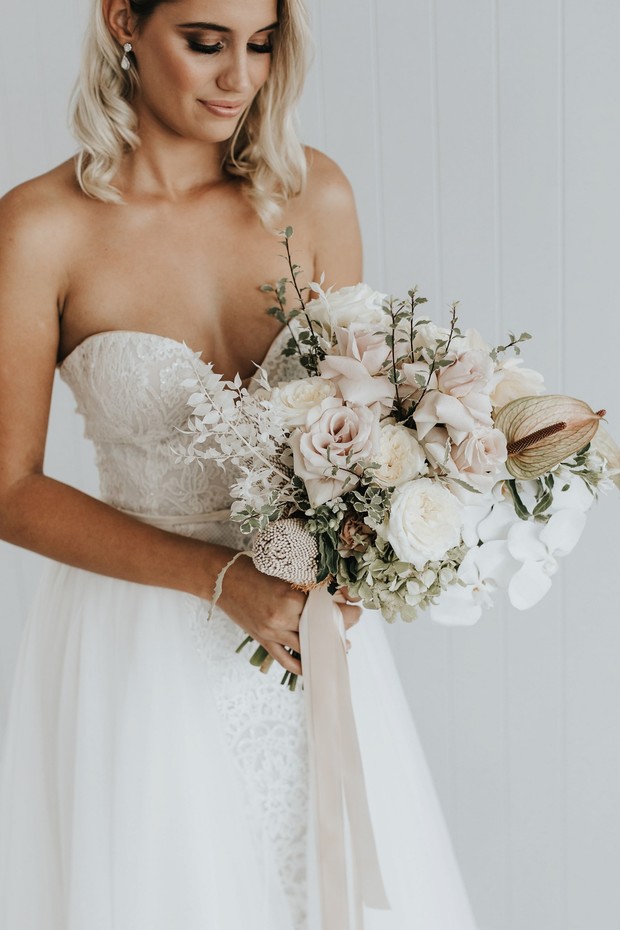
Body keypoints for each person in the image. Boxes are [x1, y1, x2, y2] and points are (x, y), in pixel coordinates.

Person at [0, 1, 479, 927]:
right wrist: (222, 582)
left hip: (312, 640)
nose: (240, 78)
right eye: (206, 42)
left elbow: (366, 422)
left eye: (261, 45)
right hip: (138, 638)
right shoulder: (39, 227)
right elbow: (8, 486)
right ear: (123, 21)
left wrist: (367, 553)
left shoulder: (315, 197)